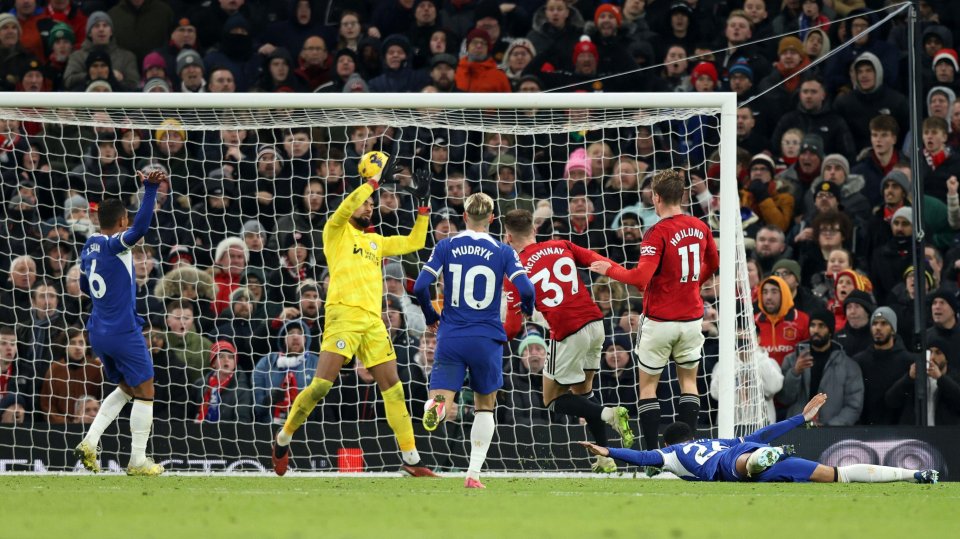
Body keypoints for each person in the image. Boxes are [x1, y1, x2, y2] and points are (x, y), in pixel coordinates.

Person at [271, 154, 436, 477]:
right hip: (342, 317)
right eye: (366, 204)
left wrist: (423, 208)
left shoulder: (375, 241)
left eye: (373, 205)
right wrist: (372, 183)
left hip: (373, 322)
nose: (369, 208)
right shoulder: (335, 231)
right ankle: (283, 437)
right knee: (320, 386)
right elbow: (347, 207)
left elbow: (415, 241)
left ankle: (412, 459)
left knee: (394, 388)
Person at [589, 169, 719, 451]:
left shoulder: (657, 232)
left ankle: (651, 455)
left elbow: (639, 279)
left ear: (655, 197)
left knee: (648, 387)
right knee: (689, 384)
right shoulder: (700, 226)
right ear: (683, 195)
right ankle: (687, 452)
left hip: (660, 320)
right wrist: (693, 283)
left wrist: (608, 268)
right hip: (692, 319)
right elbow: (714, 261)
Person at [411, 193, 535, 488]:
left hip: (452, 336)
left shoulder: (446, 245)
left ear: (464, 216)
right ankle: (473, 474)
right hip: (486, 338)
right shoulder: (503, 251)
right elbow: (527, 290)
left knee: (442, 396)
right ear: (492, 219)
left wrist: (431, 316)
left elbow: (420, 286)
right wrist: (526, 309)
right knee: (484, 406)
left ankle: (437, 407)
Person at [502, 208, 636, 473]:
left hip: (567, 331)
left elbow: (513, 324)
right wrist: (627, 275)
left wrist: (497, 340)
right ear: (535, 230)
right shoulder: (561, 245)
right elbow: (596, 260)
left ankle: (609, 414)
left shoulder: (514, 271)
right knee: (584, 395)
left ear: (508, 238)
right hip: (596, 324)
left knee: (552, 399)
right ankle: (604, 457)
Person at [579, 393, 939, 484]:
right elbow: (762, 433)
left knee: (736, 467)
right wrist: (800, 418)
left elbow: (643, 458)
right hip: (745, 448)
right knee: (836, 475)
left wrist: (607, 449)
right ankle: (916, 475)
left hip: (734, 464)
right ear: (694, 433)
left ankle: (759, 461)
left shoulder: (672, 454)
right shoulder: (717, 439)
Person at [74, 168, 166, 476]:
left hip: (98, 330)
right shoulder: (116, 244)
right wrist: (150, 188)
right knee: (147, 390)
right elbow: (141, 229)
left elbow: (84, 286)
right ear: (122, 221)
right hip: (122, 330)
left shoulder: (89, 247)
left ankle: (90, 440)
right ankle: (138, 461)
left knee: (128, 387)